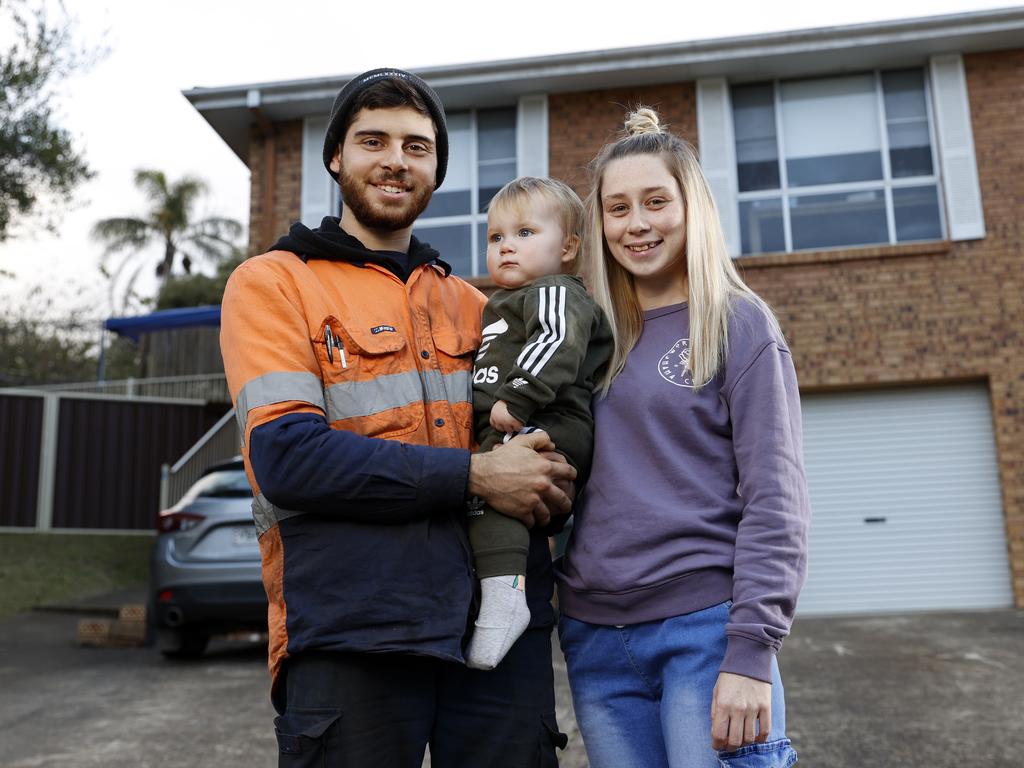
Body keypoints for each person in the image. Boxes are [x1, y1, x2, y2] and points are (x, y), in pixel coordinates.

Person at [220, 68, 574, 768]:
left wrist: (550, 480)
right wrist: (480, 476)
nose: (395, 160)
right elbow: (286, 459)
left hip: (495, 635)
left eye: (417, 146)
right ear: (336, 158)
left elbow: (532, 462)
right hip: (351, 629)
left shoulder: (476, 307)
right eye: (372, 141)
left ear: (436, 167)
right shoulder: (274, 284)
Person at [554, 107, 810, 768]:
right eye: (617, 208)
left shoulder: (738, 323)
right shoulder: (585, 336)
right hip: (595, 640)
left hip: (706, 631)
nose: (636, 224)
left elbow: (775, 499)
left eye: (655, 202)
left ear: (691, 207)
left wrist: (752, 650)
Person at [465, 177, 612, 670]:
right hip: (513, 425)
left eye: (525, 232)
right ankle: (500, 594)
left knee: (492, 499)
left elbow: (556, 342)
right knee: (485, 504)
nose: (507, 245)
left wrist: (517, 397)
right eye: (495, 237)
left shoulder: (554, 291)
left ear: (567, 247)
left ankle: (507, 602)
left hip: (549, 421)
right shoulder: (499, 303)